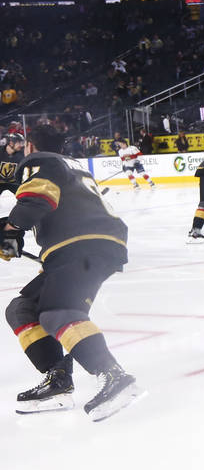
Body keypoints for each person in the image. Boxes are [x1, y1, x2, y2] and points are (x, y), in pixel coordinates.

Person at [2, 124, 143, 421]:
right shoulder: (68, 164)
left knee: (59, 312)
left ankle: (113, 376)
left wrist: (12, 229)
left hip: (81, 244)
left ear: (30, 145)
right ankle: (58, 380)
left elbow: (39, 197)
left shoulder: (40, 161)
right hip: (84, 243)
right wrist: (12, 230)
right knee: (23, 309)